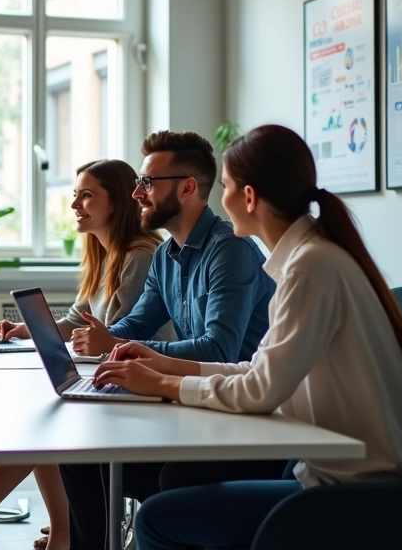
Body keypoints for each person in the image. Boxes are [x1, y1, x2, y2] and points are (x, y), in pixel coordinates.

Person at [94, 124, 402, 550]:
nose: (220, 200)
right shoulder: (309, 259)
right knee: (177, 484)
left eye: (224, 187)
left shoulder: (310, 268)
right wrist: (162, 365)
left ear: (248, 197)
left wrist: (164, 384)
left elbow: (260, 390)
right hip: (347, 470)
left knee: (158, 518)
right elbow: (258, 371)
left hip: (376, 487)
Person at [0, 160, 173, 550]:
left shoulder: (140, 257)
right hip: (112, 381)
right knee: (45, 415)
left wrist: (82, 340)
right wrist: (27, 330)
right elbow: (76, 320)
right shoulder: (105, 255)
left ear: (117, 203)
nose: (76, 205)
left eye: (87, 195)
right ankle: (55, 529)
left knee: (45, 419)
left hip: (140, 392)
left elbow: (121, 335)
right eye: (75, 195)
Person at [57, 131, 280, 550]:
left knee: (162, 475)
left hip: (245, 415)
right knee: (79, 456)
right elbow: (137, 324)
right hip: (196, 403)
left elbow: (219, 350)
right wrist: (104, 339)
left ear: (187, 188)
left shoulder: (229, 250)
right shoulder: (166, 255)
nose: (137, 194)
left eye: (147, 184)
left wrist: (130, 351)